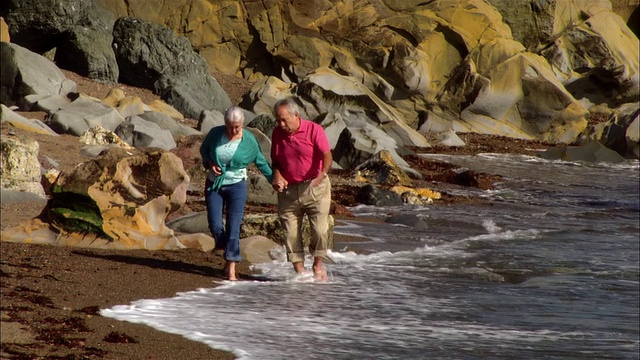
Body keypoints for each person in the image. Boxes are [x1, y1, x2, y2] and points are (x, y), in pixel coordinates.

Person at [200, 106, 273, 280]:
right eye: (230, 126)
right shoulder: (215, 134)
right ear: (225, 124)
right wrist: (210, 163)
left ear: (243, 125)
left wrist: (274, 180)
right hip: (214, 184)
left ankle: (231, 267)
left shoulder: (249, 141)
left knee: (234, 227)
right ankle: (228, 250)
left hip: (237, 186)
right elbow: (204, 150)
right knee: (215, 224)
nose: (233, 130)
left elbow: (261, 162)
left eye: (237, 127)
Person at [270, 97, 332, 281]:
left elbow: (327, 155)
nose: (281, 124)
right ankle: (300, 272)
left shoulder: (314, 130)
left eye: (284, 119)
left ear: (296, 115)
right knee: (290, 234)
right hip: (288, 191)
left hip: (315, 187)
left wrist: (322, 174)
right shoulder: (277, 133)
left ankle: (318, 265)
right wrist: (277, 175)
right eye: (277, 120)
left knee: (320, 230)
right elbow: (276, 161)